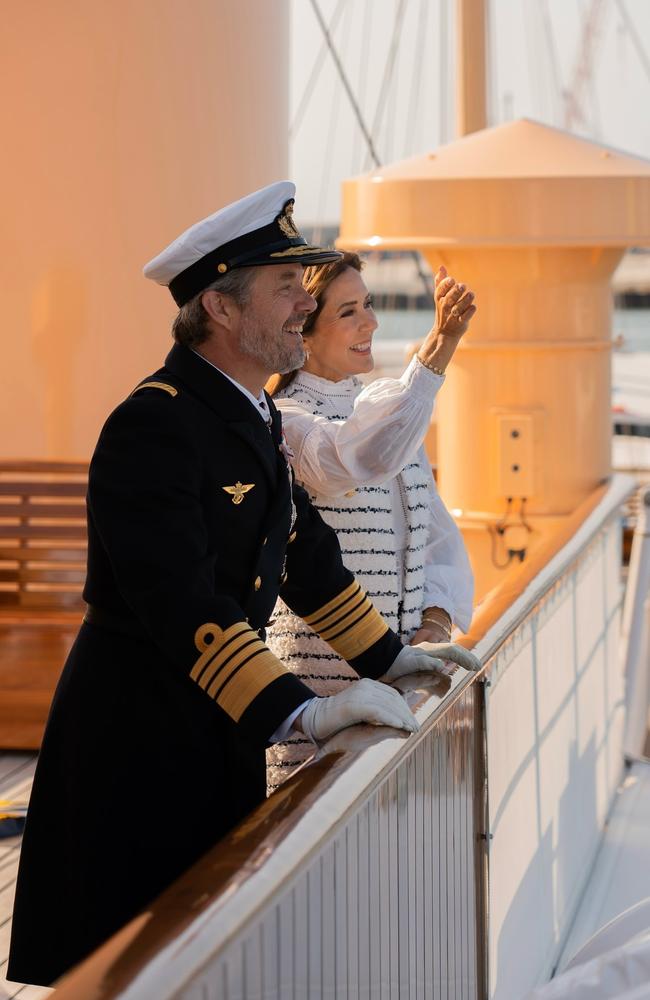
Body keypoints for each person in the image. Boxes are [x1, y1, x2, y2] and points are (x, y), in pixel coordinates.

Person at [8, 182, 480, 987]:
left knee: (208, 949)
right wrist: (302, 709)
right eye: (285, 287)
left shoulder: (248, 414)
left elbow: (303, 554)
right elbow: (182, 601)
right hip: (139, 742)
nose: (304, 302)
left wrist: (387, 656)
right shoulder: (154, 423)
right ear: (220, 309)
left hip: (217, 731)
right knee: (129, 960)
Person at [266, 252, 476, 791]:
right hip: (324, 689)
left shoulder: (380, 410)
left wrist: (433, 623)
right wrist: (435, 351)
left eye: (370, 305)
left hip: (398, 685)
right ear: (304, 335)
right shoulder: (286, 420)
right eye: (348, 312)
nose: (371, 323)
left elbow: (435, 535)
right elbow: (349, 462)